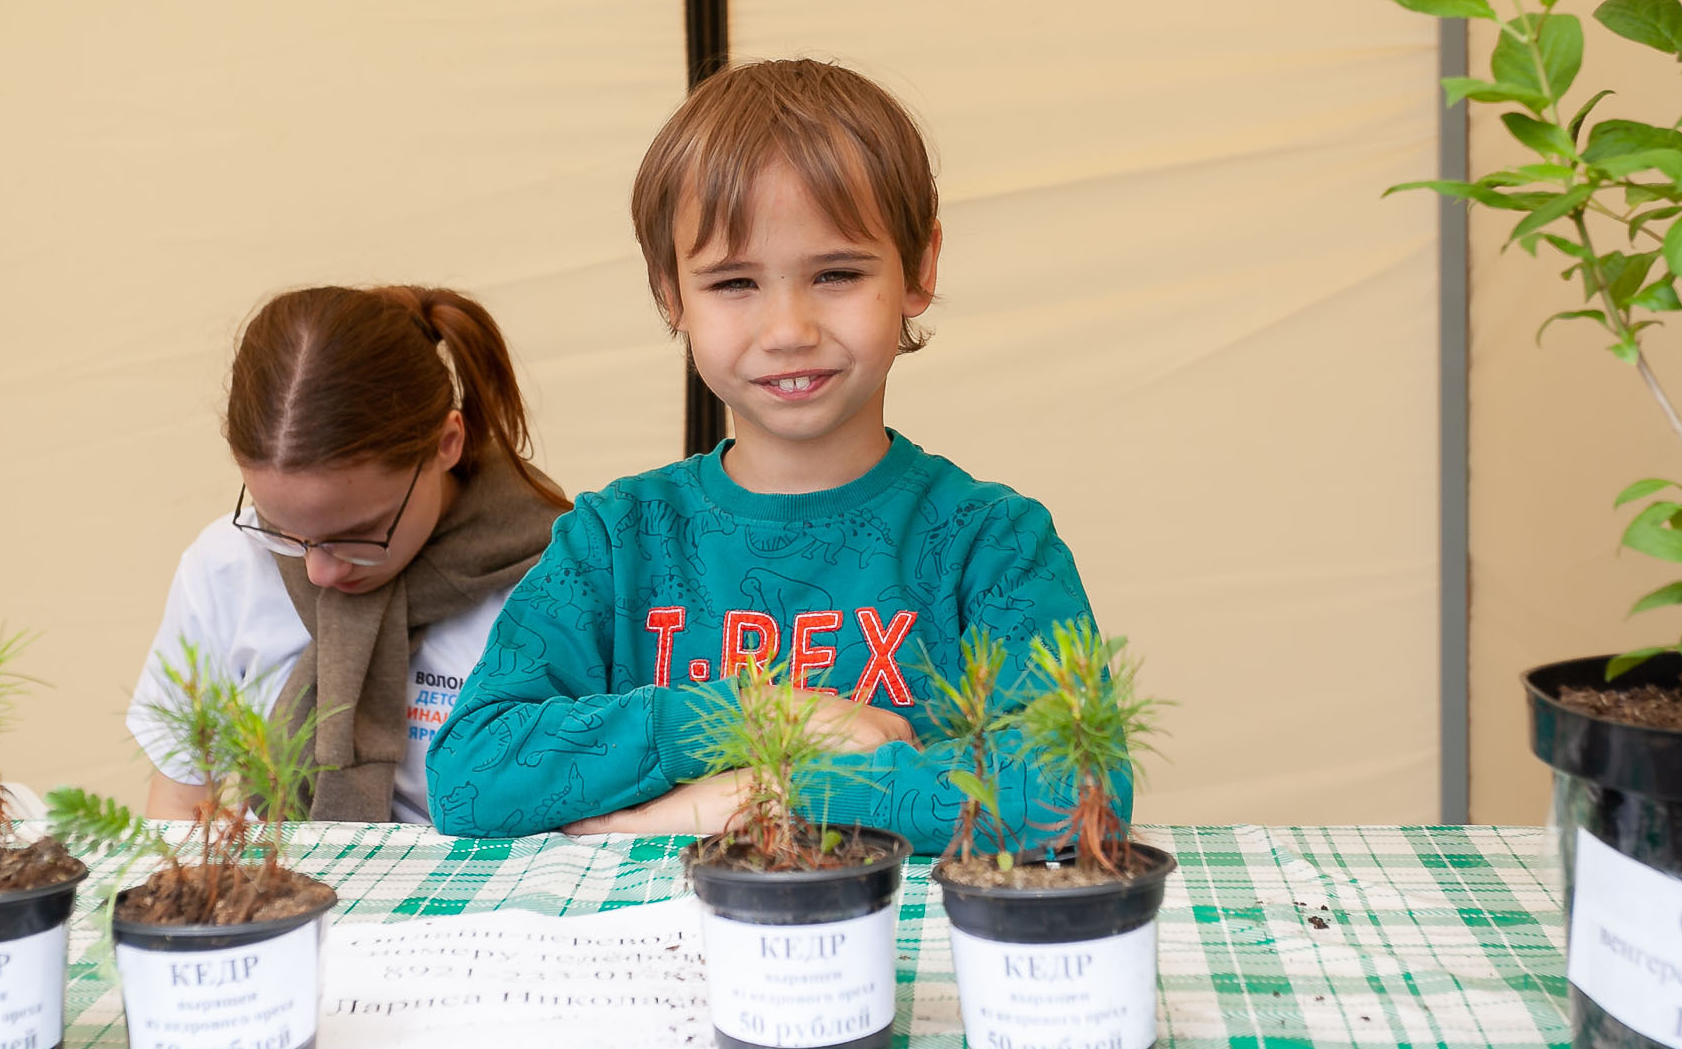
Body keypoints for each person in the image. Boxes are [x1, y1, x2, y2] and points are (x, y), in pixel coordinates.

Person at [427, 59, 1119, 854]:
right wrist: (749, 716)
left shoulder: (995, 543)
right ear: (670, 292)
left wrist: (764, 797)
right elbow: (468, 772)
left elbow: (1076, 785)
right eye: (734, 283)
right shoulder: (613, 540)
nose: (788, 329)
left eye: (836, 273)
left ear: (920, 268)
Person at [130, 286, 568, 823]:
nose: (320, 571)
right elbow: (179, 805)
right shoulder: (226, 567)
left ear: (446, 443)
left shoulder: (558, 579)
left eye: (360, 534)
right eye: (284, 530)